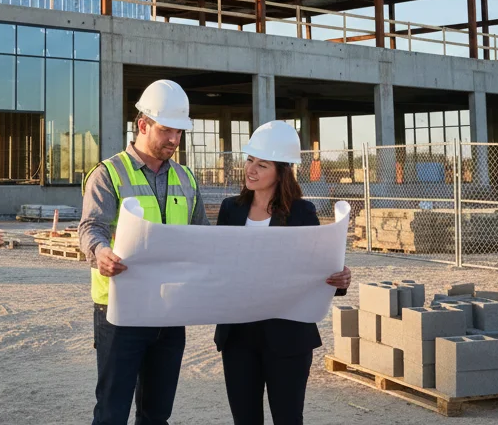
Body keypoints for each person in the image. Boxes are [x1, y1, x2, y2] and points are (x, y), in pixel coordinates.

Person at [79, 79, 208, 425]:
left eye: (179, 133)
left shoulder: (186, 179)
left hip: (169, 310)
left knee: (156, 413)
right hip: (121, 310)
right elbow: (91, 227)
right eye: (166, 130)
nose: (174, 140)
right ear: (142, 124)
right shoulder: (108, 174)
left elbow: (201, 238)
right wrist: (100, 251)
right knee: (112, 411)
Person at [214, 120, 352, 425]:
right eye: (249, 160)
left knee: (288, 419)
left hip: (288, 336)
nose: (251, 169)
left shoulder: (302, 212)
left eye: (262, 165)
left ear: (281, 171)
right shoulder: (230, 209)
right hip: (238, 336)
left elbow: (321, 270)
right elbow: (219, 265)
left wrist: (339, 279)